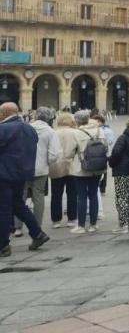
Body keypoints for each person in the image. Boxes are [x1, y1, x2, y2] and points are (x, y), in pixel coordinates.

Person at [0, 102, 50, 257]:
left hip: (4, 174)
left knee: (4, 208)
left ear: (5, 113)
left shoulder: (3, 129)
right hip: (22, 174)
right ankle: (37, 233)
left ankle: (3, 245)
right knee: (18, 205)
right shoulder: (30, 128)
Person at [21, 108, 59, 233]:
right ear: (49, 118)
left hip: (23, 168)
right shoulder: (50, 131)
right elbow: (54, 154)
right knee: (38, 197)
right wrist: (46, 163)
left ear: (36, 116)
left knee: (21, 196)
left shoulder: (25, 128)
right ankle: (37, 227)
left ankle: (17, 227)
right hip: (41, 169)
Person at [68, 111, 105, 234]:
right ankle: (93, 225)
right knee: (93, 194)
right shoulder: (100, 131)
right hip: (98, 167)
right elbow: (106, 148)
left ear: (77, 121)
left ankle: (81, 225)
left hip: (81, 168)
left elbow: (69, 152)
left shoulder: (75, 133)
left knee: (81, 196)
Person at [50, 112, 79, 228]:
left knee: (56, 194)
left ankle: (56, 220)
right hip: (72, 164)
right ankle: (71, 218)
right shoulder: (75, 132)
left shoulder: (53, 133)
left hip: (56, 165)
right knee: (72, 193)